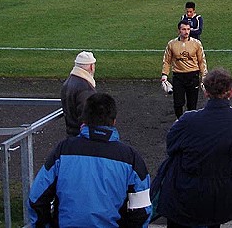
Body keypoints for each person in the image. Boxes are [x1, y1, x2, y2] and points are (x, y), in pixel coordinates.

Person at [28, 93, 152, 228]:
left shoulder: (63, 151)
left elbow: (36, 198)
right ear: (114, 121)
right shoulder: (130, 157)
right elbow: (142, 210)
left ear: (84, 121)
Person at [152, 68, 232, 228]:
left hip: (188, 194)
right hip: (223, 196)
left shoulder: (188, 120)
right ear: (230, 92)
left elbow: (171, 147)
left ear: (206, 93)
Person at [161, 20, 207, 119]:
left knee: (192, 104)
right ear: (179, 30)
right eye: (183, 29)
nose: (186, 32)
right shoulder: (171, 44)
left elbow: (201, 61)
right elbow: (167, 60)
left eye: (188, 29)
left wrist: (204, 76)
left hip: (193, 76)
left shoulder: (197, 44)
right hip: (178, 76)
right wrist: (164, 75)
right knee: (178, 103)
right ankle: (180, 121)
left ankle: (190, 123)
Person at [61, 50, 97, 136]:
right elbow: (87, 116)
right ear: (91, 67)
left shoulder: (68, 82)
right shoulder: (85, 87)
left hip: (71, 133)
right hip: (82, 136)